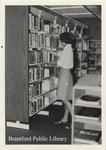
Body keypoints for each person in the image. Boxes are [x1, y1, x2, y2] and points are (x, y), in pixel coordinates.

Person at [54, 32, 76, 129]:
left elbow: (59, 63)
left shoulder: (67, 50)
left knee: (65, 99)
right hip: (66, 73)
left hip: (65, 74)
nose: (60, 41)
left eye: (60, 40)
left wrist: (51, 63)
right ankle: (65, 119)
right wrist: (49, 51)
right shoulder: (68, 48)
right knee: (65, 97)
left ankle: (75, 121)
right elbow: (60, 55)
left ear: (63, 41)